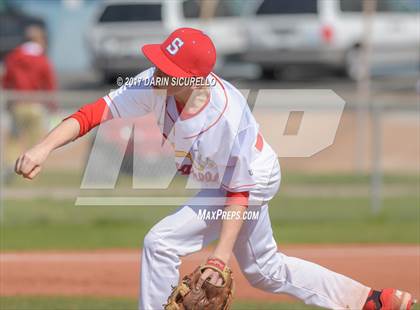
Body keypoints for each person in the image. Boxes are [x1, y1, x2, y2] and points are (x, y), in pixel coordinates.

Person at [14, 28, 416, 310]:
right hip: (222, 180)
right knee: (264, 271)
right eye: (158, 59)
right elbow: (95, 112)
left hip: (251, 177)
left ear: (192, 78)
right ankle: (368, 301)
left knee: (161, 242)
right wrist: (44, 147)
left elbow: (239, 189)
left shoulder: (226, 115)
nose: (156, 69)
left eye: (166, 66)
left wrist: (220, 258)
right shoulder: (156, 84)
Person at [3, 25, 57, 179]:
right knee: (36, 142)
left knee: (14, 139)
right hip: (36, 104)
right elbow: (49, 83)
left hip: (18, 103)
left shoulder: (13, 57)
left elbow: (7, 80)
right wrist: (53, 104)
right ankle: (31, 173)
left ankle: (10, 170)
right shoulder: (42, 59)